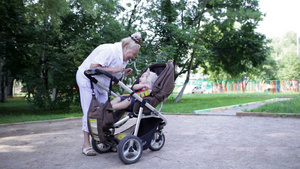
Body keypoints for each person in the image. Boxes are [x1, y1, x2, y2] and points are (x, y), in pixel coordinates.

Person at [76, 32, 142, 156]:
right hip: (87, 79)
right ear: (126, 48)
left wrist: (122, 73)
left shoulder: (123, 57)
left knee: (105, 110)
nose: (133, 57)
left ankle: (104, 139)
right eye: (133, 54)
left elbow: (112, 72)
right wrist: (116, 69)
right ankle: (86, 144)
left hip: (101, 83)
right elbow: (93, 67)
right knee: (91, 111)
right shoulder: (110, 50)